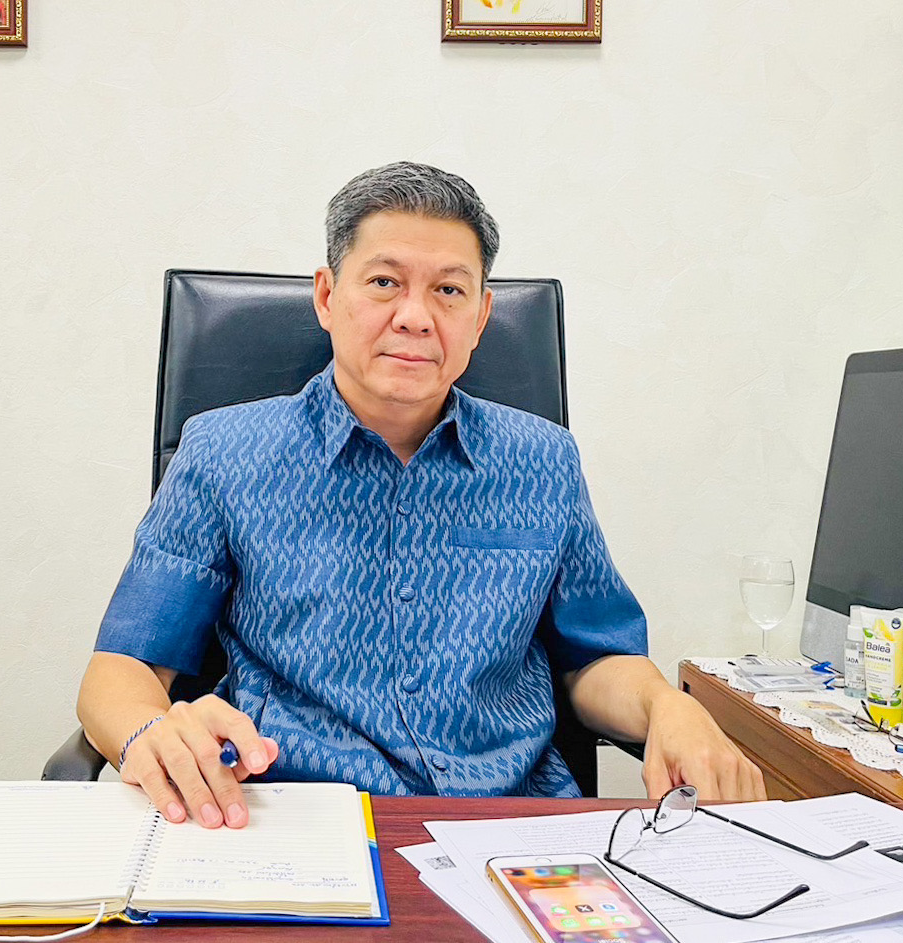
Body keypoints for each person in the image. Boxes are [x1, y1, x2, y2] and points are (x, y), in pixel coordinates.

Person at [77, 161, 765, 829]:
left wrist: (666, 705)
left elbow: (595, 660)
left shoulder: (542, 461)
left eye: (449, 290)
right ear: (327, 296)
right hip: (297, 819)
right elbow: (122, 667)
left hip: (509, 823)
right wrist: (150, 733)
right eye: (384, 282)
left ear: (482, 315)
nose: (415, 316)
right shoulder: (224, 452)